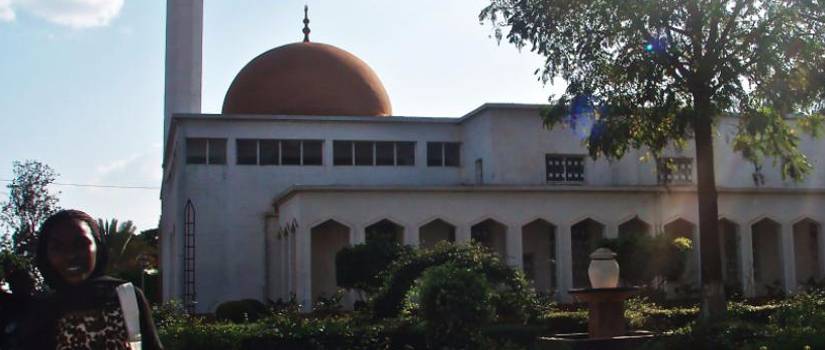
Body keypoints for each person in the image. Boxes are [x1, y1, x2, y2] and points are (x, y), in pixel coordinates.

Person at [28, 209, 163, 350]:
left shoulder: (126, 297)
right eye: (57, 247)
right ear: (46, 255)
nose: (70, 255)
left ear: (98, 247)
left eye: (80, 244)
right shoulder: (42, 311)